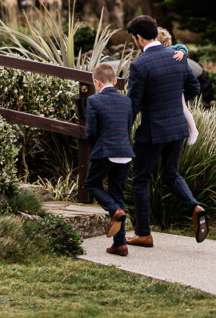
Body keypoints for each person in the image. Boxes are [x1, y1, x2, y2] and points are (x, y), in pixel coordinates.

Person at [126, 15, 209, 247]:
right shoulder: (177, 57)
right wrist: (172, 99)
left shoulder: (139, 64)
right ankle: (195, 206)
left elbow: (133, 105)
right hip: (177, 129)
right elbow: (193, 88)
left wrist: (121, 132)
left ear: (139, 38)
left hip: (152, 131)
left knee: (140, 179)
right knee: (170, 175)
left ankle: (143, 233)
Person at [85, 62, 135, 257]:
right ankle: (120, 244)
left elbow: (91, 132)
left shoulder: (93, 101)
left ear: (96, 82)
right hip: (125, 152)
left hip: (105, 151)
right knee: (117, 193)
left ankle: (114, 210)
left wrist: (98, 146)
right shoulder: (127, 101)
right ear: (115, 81)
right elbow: (128, 128)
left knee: (92, 183)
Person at [157, 27, 199, 145]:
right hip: (167, 87)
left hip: (175, 86)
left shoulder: (171, 50)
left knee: (183, 108)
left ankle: (194, 130)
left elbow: (183, 47)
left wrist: (181, 52)